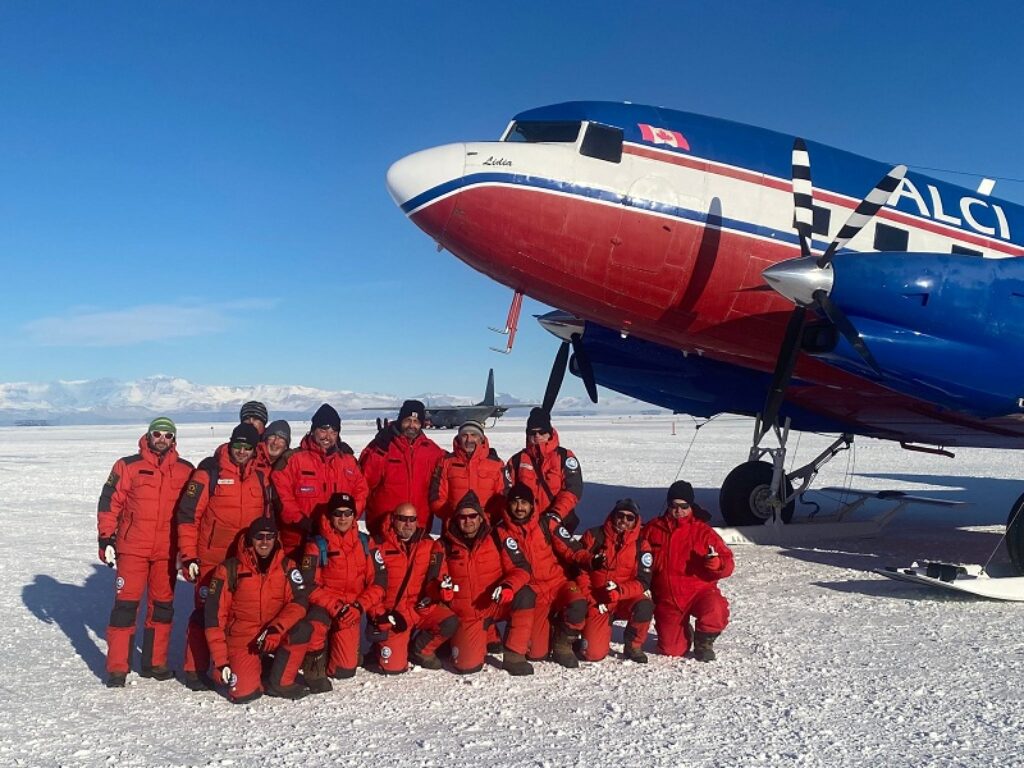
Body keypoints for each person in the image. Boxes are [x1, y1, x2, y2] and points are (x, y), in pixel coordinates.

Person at [96, 417, 194, 687]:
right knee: (125, 608)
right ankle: (117, 667)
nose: (162, 439)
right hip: (133, 549)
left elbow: (193, 512)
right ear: (148, 436)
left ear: (175, 440)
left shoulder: (186, 471)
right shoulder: (128, 466)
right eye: (157, 434)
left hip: (166, 551)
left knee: (162, 608)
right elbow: (109, 502)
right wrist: (106, 539)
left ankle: (155, 662)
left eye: (168, 435)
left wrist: (188, 550)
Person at [176, 422, 270, 690]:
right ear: (230, 444)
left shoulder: (260, 478)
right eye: (238, 446)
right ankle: (194, 669)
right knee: (207, 613)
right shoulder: (209, 473)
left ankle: (228, 665)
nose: (242, 451)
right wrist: (189, 556)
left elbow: (265, 521)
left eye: (248, 447)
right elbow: (187, 516)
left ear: (255, 450)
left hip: (243, 561)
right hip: (210, 559)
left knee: (236, 615)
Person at [204, 517, 312, 702]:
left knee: (302, 629)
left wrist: (277, 628)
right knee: (245, 693)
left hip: (272, 632)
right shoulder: (229, 570)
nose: (264, 542)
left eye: (269, 537)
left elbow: (299, 602)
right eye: (259, 537)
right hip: (243, 639)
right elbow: (214, 618)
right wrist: (221, 661)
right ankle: (224, 668)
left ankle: (281, 682)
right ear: (249, 540)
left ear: (276, 539)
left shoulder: (287, 566)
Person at [441, 491, 536, 676]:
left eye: (473, 516)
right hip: (467, 612)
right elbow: (436, 578)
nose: (468, 521)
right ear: (455, 519)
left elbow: (522, 568)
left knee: (525, 595)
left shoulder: (498, 537)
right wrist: (440, 590)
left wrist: (509, 585)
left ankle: (514, 655)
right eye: (462, 517)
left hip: (495, 602)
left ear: (481, 517)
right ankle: (483, 632)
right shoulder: (444, 544)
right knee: (467, 666)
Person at [496, 483, 588, 668]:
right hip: (534, 592)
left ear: (532, 505)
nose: (520, 507)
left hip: (557, 584)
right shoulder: (500, 532)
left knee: (578, 603)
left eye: (524, 502)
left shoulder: (546, 523)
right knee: (536, 654)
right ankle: (549, 628)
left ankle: (563, 644)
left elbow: (570, 548)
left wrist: (590, 560)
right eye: (515, 503)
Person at [300, 492, 388, 686]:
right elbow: (307, 585)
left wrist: (359, 607)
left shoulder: (365, 542)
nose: (343, 518)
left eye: (348, 513)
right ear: (330, 516)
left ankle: (343, 648)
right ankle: (314, 662)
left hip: (351, 608)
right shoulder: (317, 544)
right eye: (338, 514)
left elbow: (379, 581)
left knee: (344, 671)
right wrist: (334, 606)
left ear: (354, 516)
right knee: (315, 626)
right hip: (324, 606)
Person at [642, 481, 734, 660]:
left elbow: (727, 562)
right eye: (673, 506)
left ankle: (703, 642)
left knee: (715, 608)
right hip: (667, 597)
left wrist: (717, 565)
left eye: (684, 506)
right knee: (671, 649)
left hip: (699, 592)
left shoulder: (703, 532)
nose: (678, 511)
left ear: (691, 506)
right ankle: (684, 633)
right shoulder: (652, 529)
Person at [368, 502, 458, 673]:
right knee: (394, 668)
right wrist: (379, 615)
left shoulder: (428, 544)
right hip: (394, 615)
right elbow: (369, 585)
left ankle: (420, 650)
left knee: (449, 621)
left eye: (412, 519)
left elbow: (438, 575)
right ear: (393, 520)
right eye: (402, 519)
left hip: (419, 609)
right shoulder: (378, 545)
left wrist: (442, 589)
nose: (408, 524)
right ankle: (383, 646)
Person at [272, 404, 368, 559]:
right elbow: (281, 497)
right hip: (298, 542)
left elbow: (361, 491)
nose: (327, 436)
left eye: (333, 432)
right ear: (313, 430)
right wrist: (303, 522)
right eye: (323, 430)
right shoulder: (293, 460)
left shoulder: (348, 462)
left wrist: (346, 519)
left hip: (338, 542)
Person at [577, 498, 654, 663]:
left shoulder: (642, 544)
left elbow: (643, 581)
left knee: (645, 605)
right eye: (620, 515)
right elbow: (579, 569)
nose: (624, 521)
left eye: (629, 517)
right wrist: (589, 598)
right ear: (613, 515)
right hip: (598, 599)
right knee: (593, 654)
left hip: (623, 597)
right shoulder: (593, 536)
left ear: (636, 520)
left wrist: (620, 591)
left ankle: (633, 645)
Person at [360, 399, 444, 536]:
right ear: (400, 420)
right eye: (408, 420)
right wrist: (379, 452)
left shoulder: (431, 451)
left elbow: (449, 468)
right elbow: (365, 480)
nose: (412, 425)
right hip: (384, 526)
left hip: (418, 527)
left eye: (416, 421)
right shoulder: (381, 446)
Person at [505, 408, 583, 533]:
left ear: (550, 433)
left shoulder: (564, 457)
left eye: (542, 432)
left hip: (557, 524)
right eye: (532, 432)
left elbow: (573, 489)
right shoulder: (516, 461)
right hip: (526, 526)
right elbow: (506, 491)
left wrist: (556, 514)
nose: (537, 436)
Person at [429, 419, 507, 525]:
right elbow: (436, 496)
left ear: (481, 438)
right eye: (464, 435)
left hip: (487, 527)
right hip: (454, 525)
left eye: (473, 435)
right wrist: (453, 517)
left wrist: (486, 518)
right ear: (459, 438)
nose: (469, 439)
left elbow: (502, 497)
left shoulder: (497, 464)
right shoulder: (446, 462)